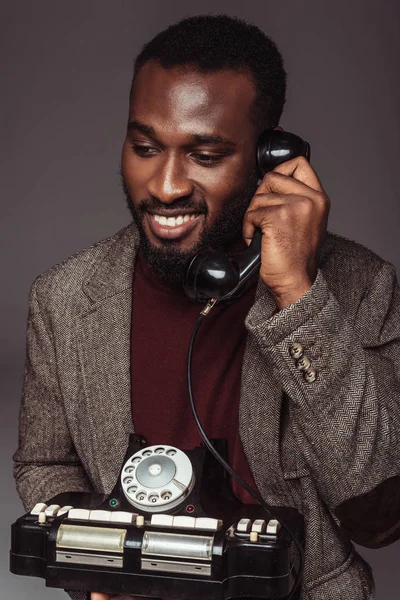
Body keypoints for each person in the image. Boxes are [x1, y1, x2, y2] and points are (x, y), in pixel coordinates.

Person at [13, 14, 400, 600]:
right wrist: (100, 564)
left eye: (206, 154)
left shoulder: (363, 287)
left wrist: (296, 293)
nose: (165, 186)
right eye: (145, 147)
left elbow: (381, 516)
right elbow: (43, 464)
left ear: (271, 157)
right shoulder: (63, 298)